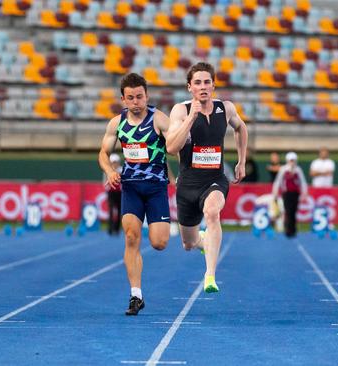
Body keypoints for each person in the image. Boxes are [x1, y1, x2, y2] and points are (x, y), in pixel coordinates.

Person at [167, 62, 248, 293]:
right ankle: (203, 242)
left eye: (207, 82)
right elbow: (171, 148)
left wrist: (241, 161)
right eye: (197, 83)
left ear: (213, 85)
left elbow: (241, 128)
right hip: (188, 183)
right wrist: (191, 119)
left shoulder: (226, 108)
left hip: (215, 179)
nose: (203, 87)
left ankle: (210, 276)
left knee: (212, 212)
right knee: (188, 243)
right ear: (189, 87)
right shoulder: (180, 111)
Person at [98, 73, 171, 316]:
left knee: (159, 243)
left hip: (156, 187)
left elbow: (178, 146)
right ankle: (135, 295)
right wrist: (109, 171)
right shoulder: (116, 124)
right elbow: (103, 153)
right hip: (130, 186)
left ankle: (199, 239)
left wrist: (183, 174)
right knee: (131, 236)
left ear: (146, 96)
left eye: (140, 96)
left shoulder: (159, 119)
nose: (136, 101)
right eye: (131, 98)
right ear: (123, 99)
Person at [272, 151, 308, 238]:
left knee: (294, 211)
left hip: (295, 193)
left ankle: (293, 230)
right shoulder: (283, 169)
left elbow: (302, 182)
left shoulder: (298, 170)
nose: (292, 162)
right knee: (288, 211)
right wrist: (275, 192)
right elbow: (278, 181)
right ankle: (288, 230)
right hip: (286, 193)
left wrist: (304, 193)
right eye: (290, 160)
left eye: (293, 160)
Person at [105, 153, 122, 236]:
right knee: (111, 211)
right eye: (113, 162)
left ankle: (117, 229)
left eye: (116, 162)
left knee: (119, 211)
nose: (115, 164)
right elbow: (105, 182)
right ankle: (110, 229)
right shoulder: (108, 171)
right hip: (111, 192)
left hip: (119, 193)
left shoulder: (121, 170)